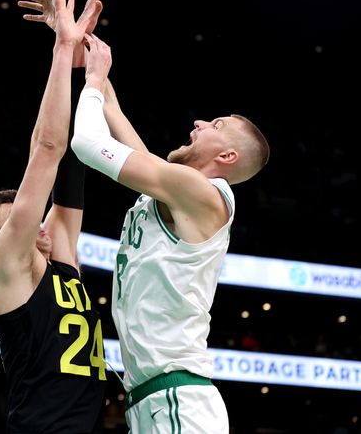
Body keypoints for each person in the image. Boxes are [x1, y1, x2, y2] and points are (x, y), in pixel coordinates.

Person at [70, 32, 270, 433]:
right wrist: (77, 44)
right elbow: (114, 113)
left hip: (178, 399)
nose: (198, 122)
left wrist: (92, 84)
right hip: (152, 400)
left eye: (214, 124)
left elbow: (88, 144)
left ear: (227, 157)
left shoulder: (204, 194)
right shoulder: (172, 192)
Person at [0, 0, 109, 434]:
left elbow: (72, 158)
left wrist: (83, 67)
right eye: (22, 223)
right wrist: (61, 50)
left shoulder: (58, 256)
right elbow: (47, 150)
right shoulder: (6, 267)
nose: (40, 226)